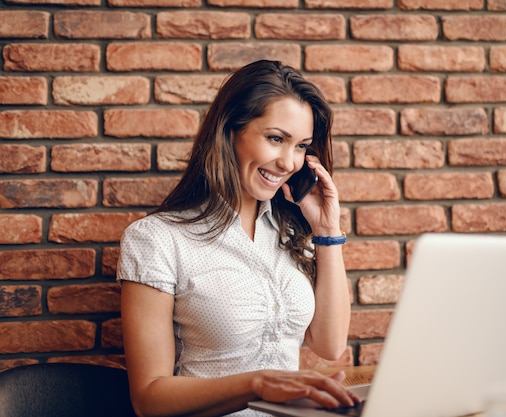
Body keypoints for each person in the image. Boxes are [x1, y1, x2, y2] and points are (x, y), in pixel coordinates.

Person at [117, 59, 359, 417]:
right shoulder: (157, 239)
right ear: (230, 131)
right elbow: (149, 399)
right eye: (276, 139)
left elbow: (330, 344)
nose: (289, 162)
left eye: (300, 146)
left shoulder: (293, 233)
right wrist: (256, 384)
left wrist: (327, 232)